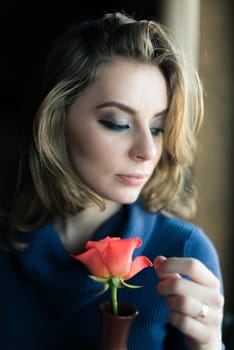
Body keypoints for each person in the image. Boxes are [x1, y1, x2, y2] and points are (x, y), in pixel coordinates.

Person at [0, 11, 225, 350]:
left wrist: (209, 345)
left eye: (158, 128)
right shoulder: (6, 240)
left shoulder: (183, 254)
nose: (148, 151)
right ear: (56, 119)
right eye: (119, 123)